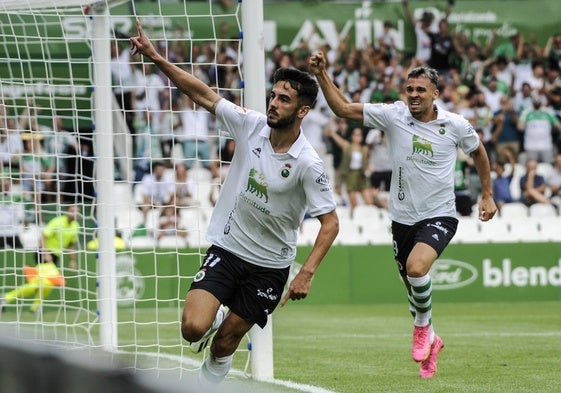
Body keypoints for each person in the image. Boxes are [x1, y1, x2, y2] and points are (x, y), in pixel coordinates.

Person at [130, 21, 339, 387]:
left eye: (284, 99)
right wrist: (155, 57)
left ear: (302, 111)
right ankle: (212, 314)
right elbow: (202, 94)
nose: (273, 104)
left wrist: (305, 272)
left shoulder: (308, 163)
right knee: (193, 328)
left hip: (270, 266)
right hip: (228, 248)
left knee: (225, 342)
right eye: (273, 96)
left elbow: (331, 223)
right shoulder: (251, 125)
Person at [309, 53, 497, 379]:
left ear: (435, 93)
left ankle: (423, 329)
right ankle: (433, 341)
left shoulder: (454, 125)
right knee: (413, 291)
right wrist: (322, 74)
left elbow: (478, 151)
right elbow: (343, 109)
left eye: (421, 90)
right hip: (401, 220)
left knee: (416, 268)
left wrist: (487, 194)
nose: (413, 94)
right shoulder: (393, 115)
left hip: (439, 215)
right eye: (409, 88)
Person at [1, 205, 80, 314]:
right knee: (49, 281)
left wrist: (72, 260)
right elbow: (42, 237)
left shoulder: (76, 226)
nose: (75, 213)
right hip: (43, 254)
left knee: (44, 283)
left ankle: (16, 301)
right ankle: (8, 298)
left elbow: (71, 244)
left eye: (77, 211)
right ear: (67, 211)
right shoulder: (57, 222)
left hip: (55, 256)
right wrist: (46, 253)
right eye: (73, 211)